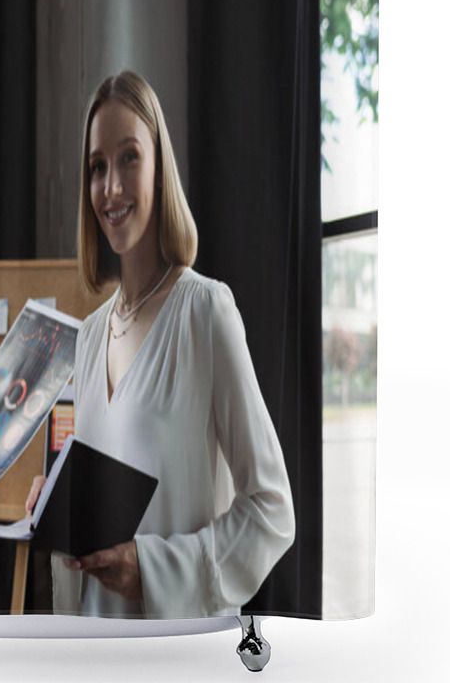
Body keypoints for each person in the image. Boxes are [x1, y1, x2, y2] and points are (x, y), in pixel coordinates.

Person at [27, 70, 296, 619]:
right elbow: (103, 511)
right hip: (97, 651)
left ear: (160, 166)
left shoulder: (205, 312)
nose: (111, 187)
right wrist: (56, 508)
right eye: (97, 167)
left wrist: (153, 570)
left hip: (176, 658)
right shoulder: (89, 336)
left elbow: (273, 510)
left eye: (129, 157)